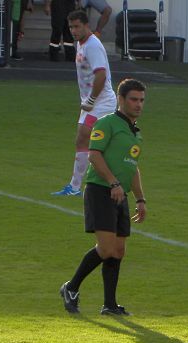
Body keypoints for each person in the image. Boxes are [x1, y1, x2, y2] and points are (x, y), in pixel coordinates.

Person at [58, 79, 147, 316]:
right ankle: (71, 287)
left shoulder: (134, 132)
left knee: (118, 250)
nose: (138, 104)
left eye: (141, 100)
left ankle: (109, 304)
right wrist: (113, 183)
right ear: (121, 99)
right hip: (101, 191)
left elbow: (133, 167)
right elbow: (94, 156)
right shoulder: (106, 123)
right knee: (106, 248)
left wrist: (140, 199)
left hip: (120, 194)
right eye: (133, 99)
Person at [52, 10, 117, 197]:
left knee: (86, 137)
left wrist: (90, 100)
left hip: (100, 103)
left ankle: (91, 184)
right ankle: (77, 186)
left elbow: (101, 75)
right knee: (83, 139)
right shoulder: (81, 44)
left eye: (77, 26)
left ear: (86, 25)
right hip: (91, 102)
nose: (73, 30)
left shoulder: (92, 46)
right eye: (71, 27)